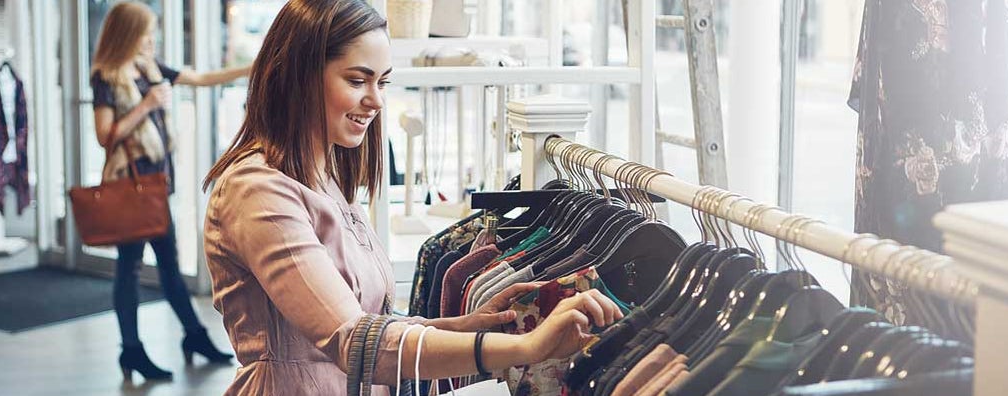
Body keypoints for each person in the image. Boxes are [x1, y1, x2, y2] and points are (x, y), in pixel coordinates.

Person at [200, 1, 625, 394]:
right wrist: (527, 348)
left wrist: (465, 327)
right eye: (357, 80)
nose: (376, 100)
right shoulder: (257, 191)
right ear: (299, 75)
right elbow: (354, 342)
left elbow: (370, 325)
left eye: (382, 82)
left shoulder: (325, 176)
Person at [89, 1, 251, 381]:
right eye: (146, 31)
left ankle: (191, 336)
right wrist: (146, 105)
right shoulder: (107, 76)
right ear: (128, 32)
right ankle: (134, 350)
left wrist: (255, 66)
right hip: (131, 186)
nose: (151, 38)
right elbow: (104, 136)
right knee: (130, 269)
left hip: (155, 185)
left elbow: (202, 79)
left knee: (168, 265)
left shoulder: (148, 67)